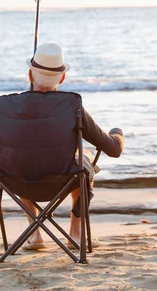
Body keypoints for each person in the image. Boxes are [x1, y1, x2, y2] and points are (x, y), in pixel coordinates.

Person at [21, 43, 124, 250]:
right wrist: (117, 133)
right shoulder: (72, 108)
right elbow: (113, 149)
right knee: (82, 158)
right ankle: (75, 233)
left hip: (17, 181)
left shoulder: (5, 108)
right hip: (63, 180)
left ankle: (34, 231)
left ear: (30, 76)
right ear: (62, 78)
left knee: (20, 158)